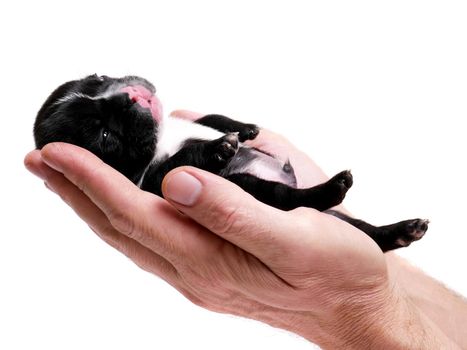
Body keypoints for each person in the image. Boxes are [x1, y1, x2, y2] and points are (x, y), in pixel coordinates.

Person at [24, 110, 467, 349]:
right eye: (106, 135)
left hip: (259, 168)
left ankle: (365, 230)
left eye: (102, 82)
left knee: (339, 227)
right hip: (252, 184)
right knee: (247, 193)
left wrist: (357, 307)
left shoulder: (170, 122)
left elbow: (210, 124)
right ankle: (325, 206)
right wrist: (367, 295)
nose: (126, 99)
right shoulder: (153, 172)